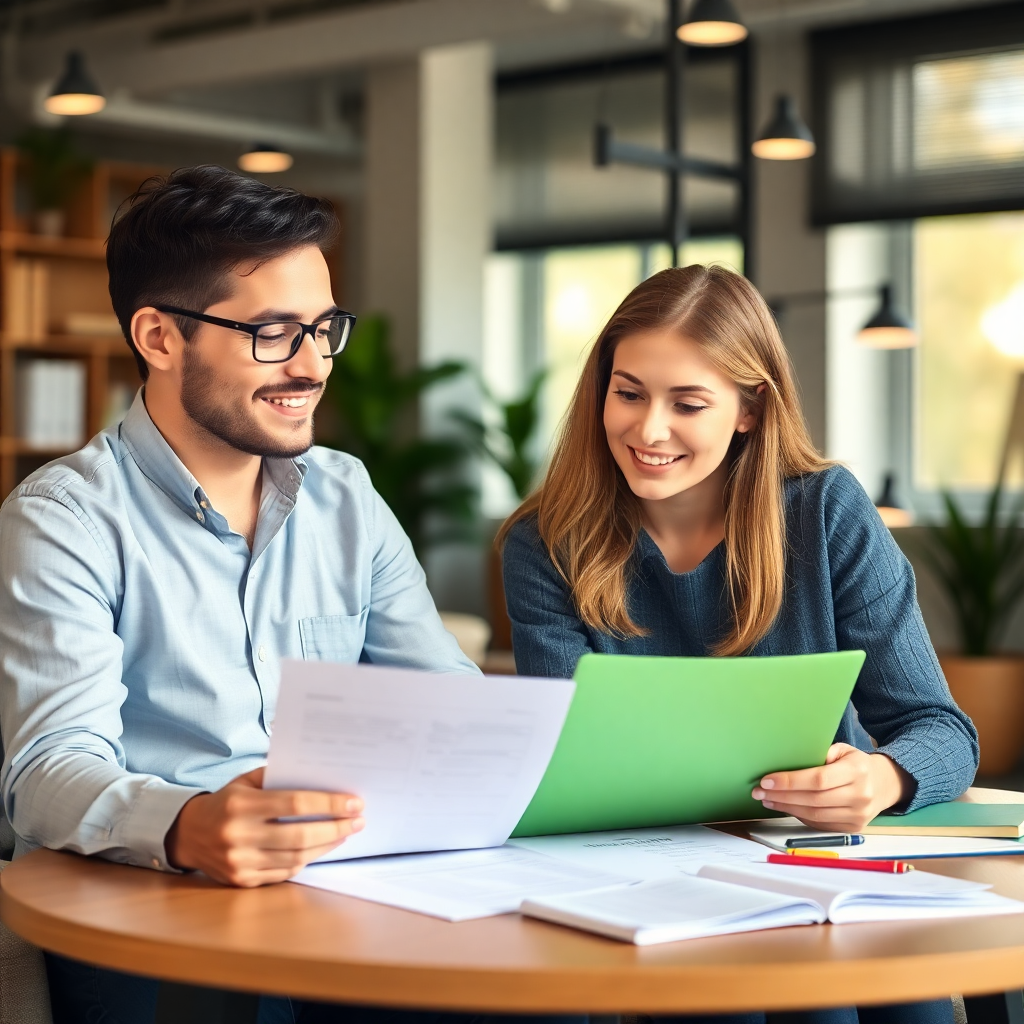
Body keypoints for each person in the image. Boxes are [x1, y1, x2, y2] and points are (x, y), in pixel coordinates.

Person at [0, 166, 566, 1024]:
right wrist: (188, 824)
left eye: (323, 329)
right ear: (159, 337)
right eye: (273, 333)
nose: (312, 366)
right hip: (157, 905)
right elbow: (47, 772)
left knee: (542, 998)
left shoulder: (346, 496)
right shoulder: (63, 520)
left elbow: (448, 704)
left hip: (350, 889)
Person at [500, 264, 978, 1024]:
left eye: (688, 403)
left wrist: (883, 777)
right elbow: (567, 762)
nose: (648, 430)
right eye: (628, 394)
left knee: (892, 994)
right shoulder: (546, 543)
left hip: (813, 862)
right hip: (646, 876)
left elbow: (943, 731)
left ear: (751, 408)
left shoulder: (825, 512)